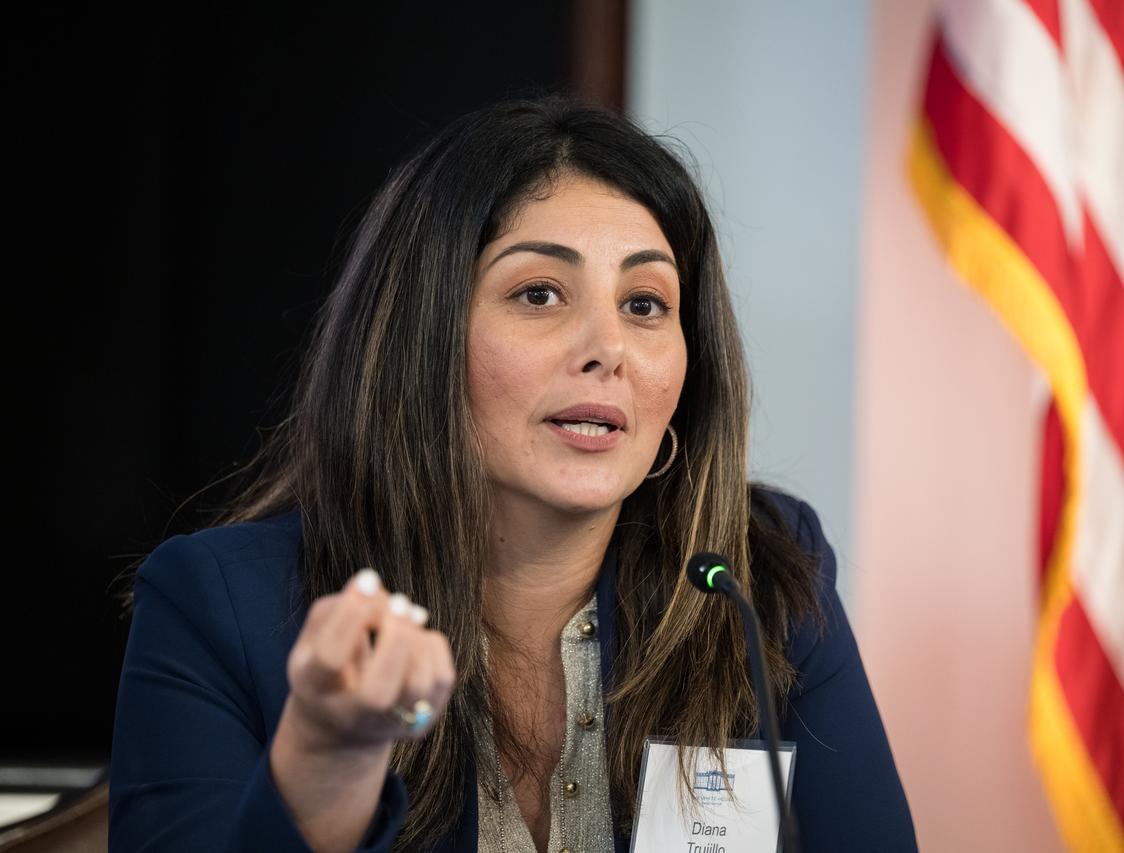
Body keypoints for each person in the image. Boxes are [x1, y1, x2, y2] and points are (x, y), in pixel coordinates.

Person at [109, 96, 917, 853]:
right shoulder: (220, 605)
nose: (608, 348)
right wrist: (329, 763)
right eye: (539, 293)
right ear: (422, 339)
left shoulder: (759, 573)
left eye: (645, 304)